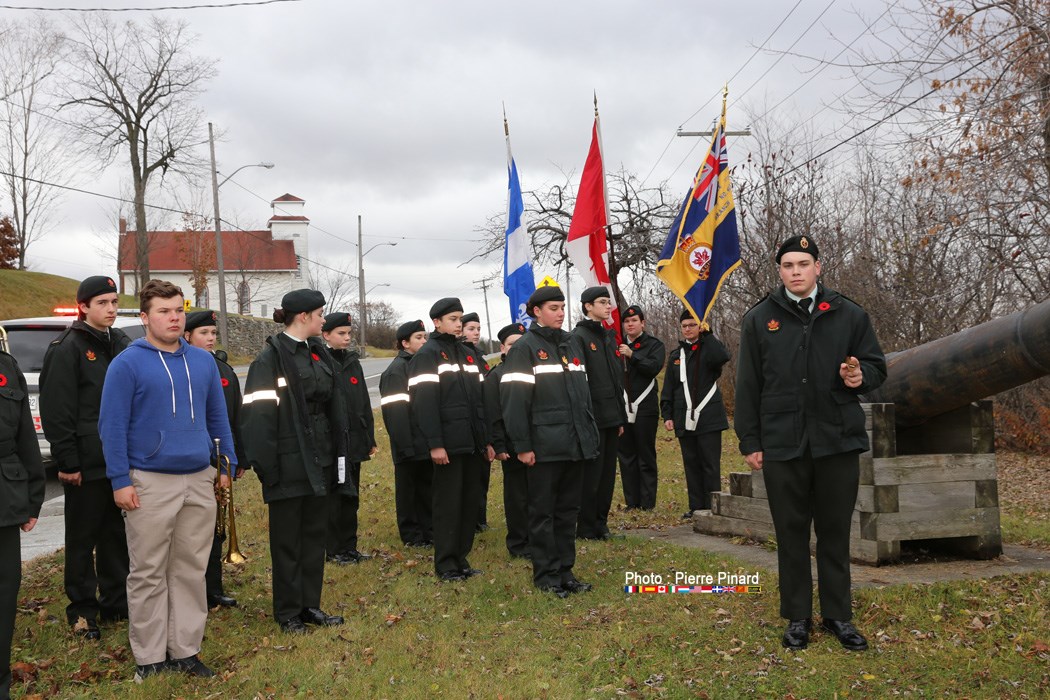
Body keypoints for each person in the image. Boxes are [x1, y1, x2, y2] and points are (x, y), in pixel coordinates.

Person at [735, 235, 887, 652]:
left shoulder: (848, 313)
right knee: (791, 533)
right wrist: (750, 439)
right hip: (783, 443)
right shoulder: (759, 319)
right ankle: (797, 616)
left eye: (804, 263)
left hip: (836, 439)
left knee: (835, 532)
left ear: (818, 267)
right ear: (779, 271)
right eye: (788, 265)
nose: (796, 271)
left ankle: (838, 615)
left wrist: (861, 377)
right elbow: (748, 384)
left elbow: (875, 365)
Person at [99, 280, 234, 681]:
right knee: (148, 571)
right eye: (163, 311)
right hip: (149, 481)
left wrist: (226, 465)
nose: (173, 317)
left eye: (178, 310)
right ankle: (150, 657)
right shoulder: (127, 363)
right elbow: (112, 426)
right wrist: (120, 480)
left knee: (191, 569)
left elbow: (218, 418)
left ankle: (185, 650)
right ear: (144, 317)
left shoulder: (203, 361)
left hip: (198, 478)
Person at [240, 289, 347, 633]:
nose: (323, 320)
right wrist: (267, 467)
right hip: (287, 462)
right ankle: (288, 612)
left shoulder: (318, 354)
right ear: (303, 317)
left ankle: (309, 605)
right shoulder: (269, 359)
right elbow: (258, 417)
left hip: (319, 459)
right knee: (288, 541)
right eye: (320, 314)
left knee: (314, 536)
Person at [39, 275, 130, 640]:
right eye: (102, 303)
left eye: (113, 302)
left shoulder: (120, 344)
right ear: (84, 307)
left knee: (115, 535)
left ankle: (115, 603)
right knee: (82, 539)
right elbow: (58, 410)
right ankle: (82, 610)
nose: (110, 309)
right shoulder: (69, 348)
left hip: (118, 460)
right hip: (87, 462)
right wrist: (68, 461)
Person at [501, 286, 599, 598]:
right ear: (536, 312)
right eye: (554, 308)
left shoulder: (572, 344)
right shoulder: (525, 349)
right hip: (543, 446)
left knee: (568, 511)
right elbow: (515, 403)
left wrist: (588, 435)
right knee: (542, 513)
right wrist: (523, 445)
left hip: (574, 444)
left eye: (561, 307)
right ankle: (546, 576)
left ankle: (566, 572)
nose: (560, 313)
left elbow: (583, 396)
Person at [407, 297, 492, 582]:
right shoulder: (427, 355)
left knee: (469, 503)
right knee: (448, 504)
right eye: (454, 320)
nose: (459, 325)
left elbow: (480, 402)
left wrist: (487, 440)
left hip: (472, 443)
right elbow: (424, 404)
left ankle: (461, 558)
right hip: (448, 445)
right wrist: (435, 443)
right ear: (437, 322)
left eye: (460, 319)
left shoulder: (468, 355)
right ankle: (446, 564)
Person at [182, 310, 247, 608]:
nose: (210, 339)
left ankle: (213, 587)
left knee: (217, 526)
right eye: (203, 334)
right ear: (187, 337)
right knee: (193, 529)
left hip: (221, 459)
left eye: (212, 334)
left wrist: (239, 459)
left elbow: (235, 417)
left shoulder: (224, 370)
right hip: (195, 459)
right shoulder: (182, 368)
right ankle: (192, 589)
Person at [0, 349, 45, 700]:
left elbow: (25, 437)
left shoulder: (5, 365)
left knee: (4, 594)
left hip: (4, 499)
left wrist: (33, 496)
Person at [660, 310, 730, 517]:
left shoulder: (709, 349)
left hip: (708, 416)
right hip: (684, 418)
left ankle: (713, 507)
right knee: (691, 464)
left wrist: (707, 334)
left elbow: (722, 357)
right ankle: (696, 507)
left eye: (692, 325)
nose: (688, 329)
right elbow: (669, 388)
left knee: (709, 464)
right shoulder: (676, 356)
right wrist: (668, 414)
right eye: (685, 326)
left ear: (700, 327)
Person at [571, 286, 626, 540]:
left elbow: (616, 380)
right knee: (591, 476)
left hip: (611, 416)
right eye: (602, 302)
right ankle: (585, 527)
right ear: (588, 306)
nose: (608, 306)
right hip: (592, 417)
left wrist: (620, 417)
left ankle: (601, 524)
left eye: (608, 302)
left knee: (606, 476)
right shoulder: (579, 337)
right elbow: (579, 382)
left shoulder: (608, 336)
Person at [321, 312, 377, 564]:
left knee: (352, 496)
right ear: (326, 335)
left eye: (348, 334)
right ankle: (334, 549)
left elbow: (363, 402)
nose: (346, 338)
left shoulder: (352, 362)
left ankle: (349, 546)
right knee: (336, 497)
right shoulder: (322, 362)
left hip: (355, 440)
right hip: (334, 444)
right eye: (340, 334)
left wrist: (369, 437)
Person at [379, 320, 433, 547]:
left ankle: (428, 530)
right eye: (418, 337)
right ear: (404, 343)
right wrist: (405, 446)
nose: (424, 341)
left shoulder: (420, 365)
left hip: (425, 440)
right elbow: (395, 413)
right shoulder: (396, 371)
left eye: (425, 337)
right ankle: (412, 534)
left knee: (425, 488)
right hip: (408, 443)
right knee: (408, 491)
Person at [483, 322, 529, 559]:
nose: (517, 348)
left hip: (534, 442)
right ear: (502, 347)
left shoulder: (532, 369)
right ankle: (519, 543)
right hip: (511, 446)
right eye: (512, 344)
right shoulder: (496, 375)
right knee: (517, 496)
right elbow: (493, 415)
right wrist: (499, 446)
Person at [617, 305, 666, 510]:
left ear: (642, 323)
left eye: (634, 321)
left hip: (645, 407)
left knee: (645, 454)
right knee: (626, 456)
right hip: (623, 406)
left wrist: (632, 355)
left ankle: (647, 503)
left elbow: (653, 368)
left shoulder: (654, 345)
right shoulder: (616, 346)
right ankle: (632, 502)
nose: (630, 324)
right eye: (627, 322)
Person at [460, 311, 493, 532]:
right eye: (471, 329)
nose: (476, 333)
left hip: (484, 421)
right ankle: (470, 519)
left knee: (483, 475)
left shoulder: (479, 357)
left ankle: (480, 518)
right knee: (469, 479)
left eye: (478, 329)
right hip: (468, 423)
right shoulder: (461, 356)